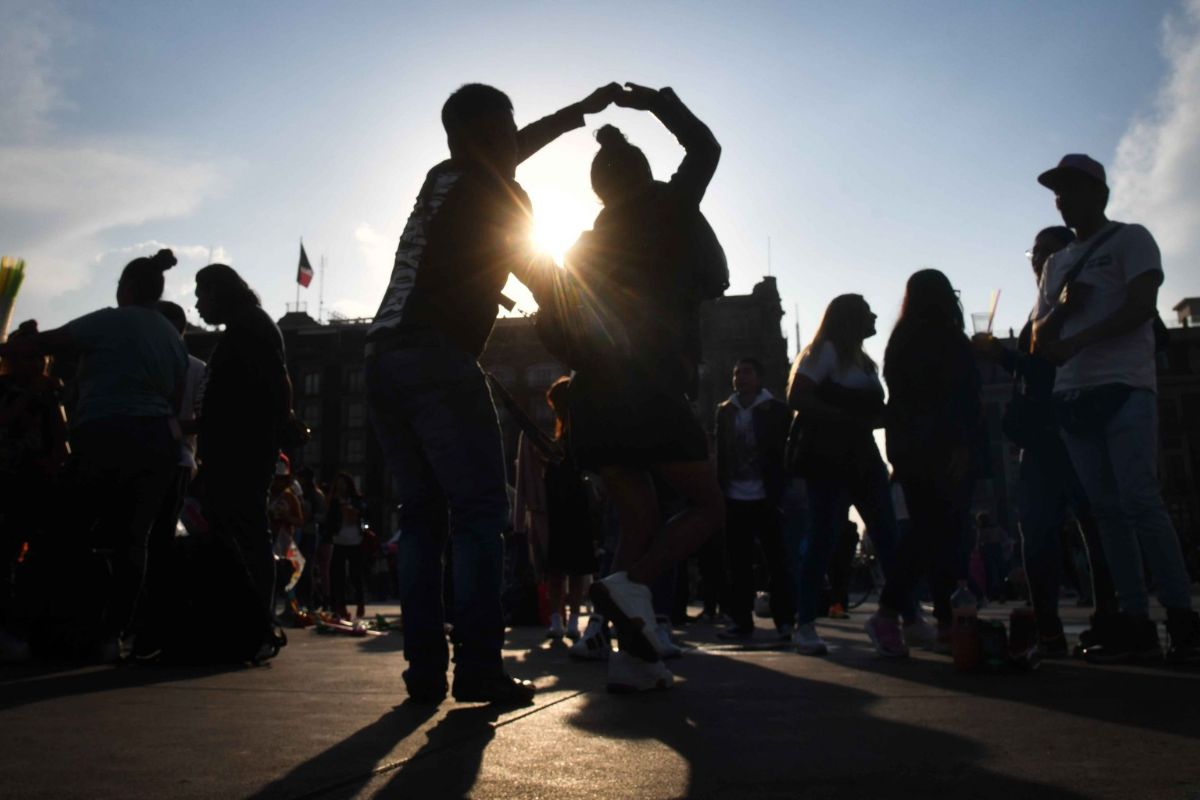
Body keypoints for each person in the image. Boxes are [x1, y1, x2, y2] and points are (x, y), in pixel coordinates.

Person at [364, 82, 621, 705]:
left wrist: (569, 116)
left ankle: (424, 672)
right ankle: (479, 667)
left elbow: (502, 153)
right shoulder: (499, 193)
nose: (515, 140)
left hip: (382, 356)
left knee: (422, 519)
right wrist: (599, 341)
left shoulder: (443, 177)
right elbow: (544, 278)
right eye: (506, 130)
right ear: (485, 137)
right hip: (436, 356)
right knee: (479, 515)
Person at [553, 83, 725, 693]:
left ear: (598, 190)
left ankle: (633, 659)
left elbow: (554, 326)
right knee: (707, 506)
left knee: (638, 519)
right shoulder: (671, 208)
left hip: (594, 402)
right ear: (644, 172)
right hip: (651, 389)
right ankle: (629, 586)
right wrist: (657, 103)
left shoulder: (582, 246)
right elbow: (705, 147)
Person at [1031, 154, 1199, 663]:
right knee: (1107, 513)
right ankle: (1134, 621)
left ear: (1099, 194)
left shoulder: (1132, 239)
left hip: (1125, 386)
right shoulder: (1057, 264)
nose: (1062, 199)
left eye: (1072, 189)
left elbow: (1141, 307)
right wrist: (1063, 309)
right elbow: (1040, 337)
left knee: (1141, 502)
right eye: (1057, 192)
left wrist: (1080, 338)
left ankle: (1182, 619)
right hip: (1073, 396)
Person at [0, 250, 187, 660]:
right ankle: (111, 637)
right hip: (157, 442)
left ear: (125, 288)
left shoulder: (110, 320)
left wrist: (10, 345)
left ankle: (18, 632)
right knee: (132, 540)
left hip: (107, 433)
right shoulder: (171, 336)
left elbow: (51, 342)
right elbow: (173, 398)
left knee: (60, 529)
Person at [974, 224, 1118, 656]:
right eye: (1034, 254)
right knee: (1037, 530)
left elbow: (1054, 371)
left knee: (1093, 527)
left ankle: (1108, 618)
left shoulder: (1082, 307)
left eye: (1048, 253)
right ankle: (1048, 627)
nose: (1039, 261)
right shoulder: (1036, 314)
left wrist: (1001, 356)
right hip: (1039, 440)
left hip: (1071, 432)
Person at [785, 294, 928, 655]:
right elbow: (797, 396)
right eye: (866, 310)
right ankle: (804, 623)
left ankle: (906, 616)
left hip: (863, 454)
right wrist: (848, 419)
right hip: (831, 456)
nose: (875, 314)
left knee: (886, 536)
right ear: (850, 318)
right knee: (823, 538)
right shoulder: (827, 351)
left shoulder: (864, 362)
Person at [870, 270, 986, 657]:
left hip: (909, 451)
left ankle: (940, 620)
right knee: (942, 535)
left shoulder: (899, 341)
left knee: (926, 533)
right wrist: (963, 445)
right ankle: (907, 615)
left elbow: (900, 400)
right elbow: (961, 398)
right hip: (944, 448)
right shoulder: (950, 340)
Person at [194, 262, 297, 659]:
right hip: (239, 450)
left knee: (247, 534)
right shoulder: (248, 325)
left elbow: (275, 385)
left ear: (221, 292)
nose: (198, 304)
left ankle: (251, 626)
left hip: (241, 451)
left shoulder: (250, 328)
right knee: (243, 532)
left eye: (203, 295)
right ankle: (245, 623)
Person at [0, 321, 69, 661]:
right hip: (8, 479)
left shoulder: (49, 392)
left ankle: (23, 628)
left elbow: (61, 439)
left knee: (39, 556)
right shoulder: (6, 388)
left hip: (38, 482)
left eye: (38, 357)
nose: (35, 364)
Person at [713, 357, 792, 641]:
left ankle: (785, 620)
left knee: (777, 561)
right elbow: (720, 453)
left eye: (746, 373)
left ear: (759, 377)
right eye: (736, 374)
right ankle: (741, 620)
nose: (740, 379)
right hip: (734, 495)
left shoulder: (779, 411)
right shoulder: (724, 411)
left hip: (767, 495)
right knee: (738, 563)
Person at [513, 377, 596, 641]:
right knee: (573, 567)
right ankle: (569, 619)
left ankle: (559, 620)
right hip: (575, 503)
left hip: (557, 505)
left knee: (557, 567)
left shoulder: (561, 435)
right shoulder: (578, 432)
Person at [326, 472, 367, 621]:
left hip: (355, 540)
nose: (341, 486)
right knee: (338, 576)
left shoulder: (357, 500)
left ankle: (360, 603)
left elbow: (365, 516)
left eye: (344, 482)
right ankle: (340, 607)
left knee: (356, 574)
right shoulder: (333, 501)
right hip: (339, 541)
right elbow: (329, 520)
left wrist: (362, 526)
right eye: (339, 483)